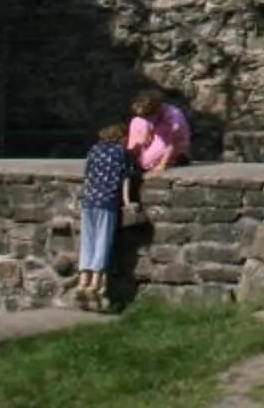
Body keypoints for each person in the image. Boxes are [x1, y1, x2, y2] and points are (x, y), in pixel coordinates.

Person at [74, 120, 138, 309]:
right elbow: (125, 178)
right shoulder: (121, 153)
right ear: (121, 137)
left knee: (88, 241)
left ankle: (82, 282)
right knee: (102, 240)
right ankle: (95, 283)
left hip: (88, 200)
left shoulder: (94, 150)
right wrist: (126, 202)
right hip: (107, 202)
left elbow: (88, 176)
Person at [128, 86, 194, 173]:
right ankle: (129, 159)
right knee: (136, 122)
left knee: (144, 163)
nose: (144, 118)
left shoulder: (174, 119)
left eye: (146, 116)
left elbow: (171, 144)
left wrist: (163, 164)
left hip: (173, 143)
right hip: (157, 134)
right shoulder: (148, 115)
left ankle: (177, 158)